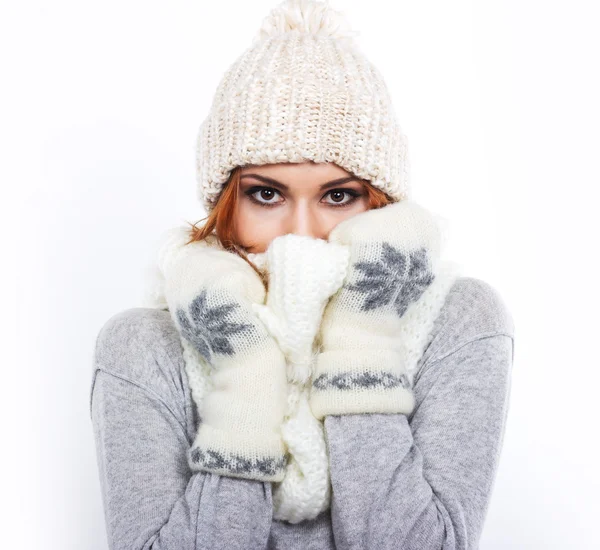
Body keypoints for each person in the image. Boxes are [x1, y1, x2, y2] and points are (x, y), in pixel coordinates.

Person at [89, 0, 515, 548]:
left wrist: (361, 339)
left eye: (339, 196)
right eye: (266, 194)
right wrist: (245, 378)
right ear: (225, 202)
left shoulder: (458, 321)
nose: (301, 235)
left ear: (382, 206)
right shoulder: (143, 347)